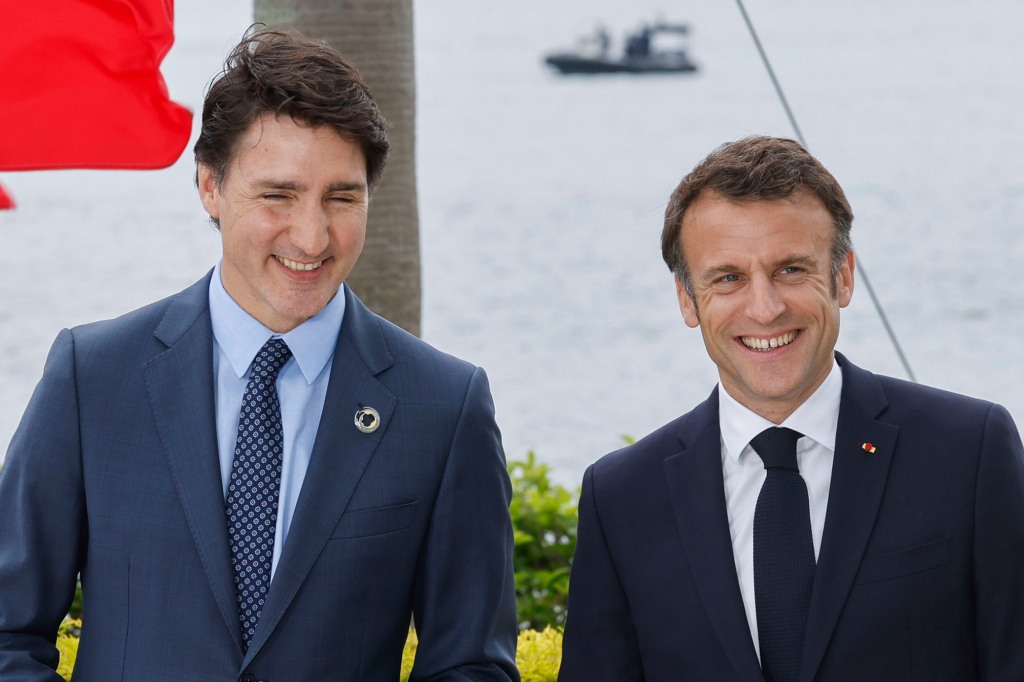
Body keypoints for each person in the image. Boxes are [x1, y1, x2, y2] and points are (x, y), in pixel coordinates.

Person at [0, 28, 519, 681]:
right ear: (210, 188)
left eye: (342, 197)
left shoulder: (444, 406)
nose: (312, 234)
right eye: (278, 194)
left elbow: (471, 665)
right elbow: (7, 634)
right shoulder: (91, 377)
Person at [558, 135, 1024, 681]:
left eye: (791, 270)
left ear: (843, 277)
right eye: (728, 278)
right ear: (687, 300)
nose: (765, 308)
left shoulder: (969, 452)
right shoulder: (622, 498)